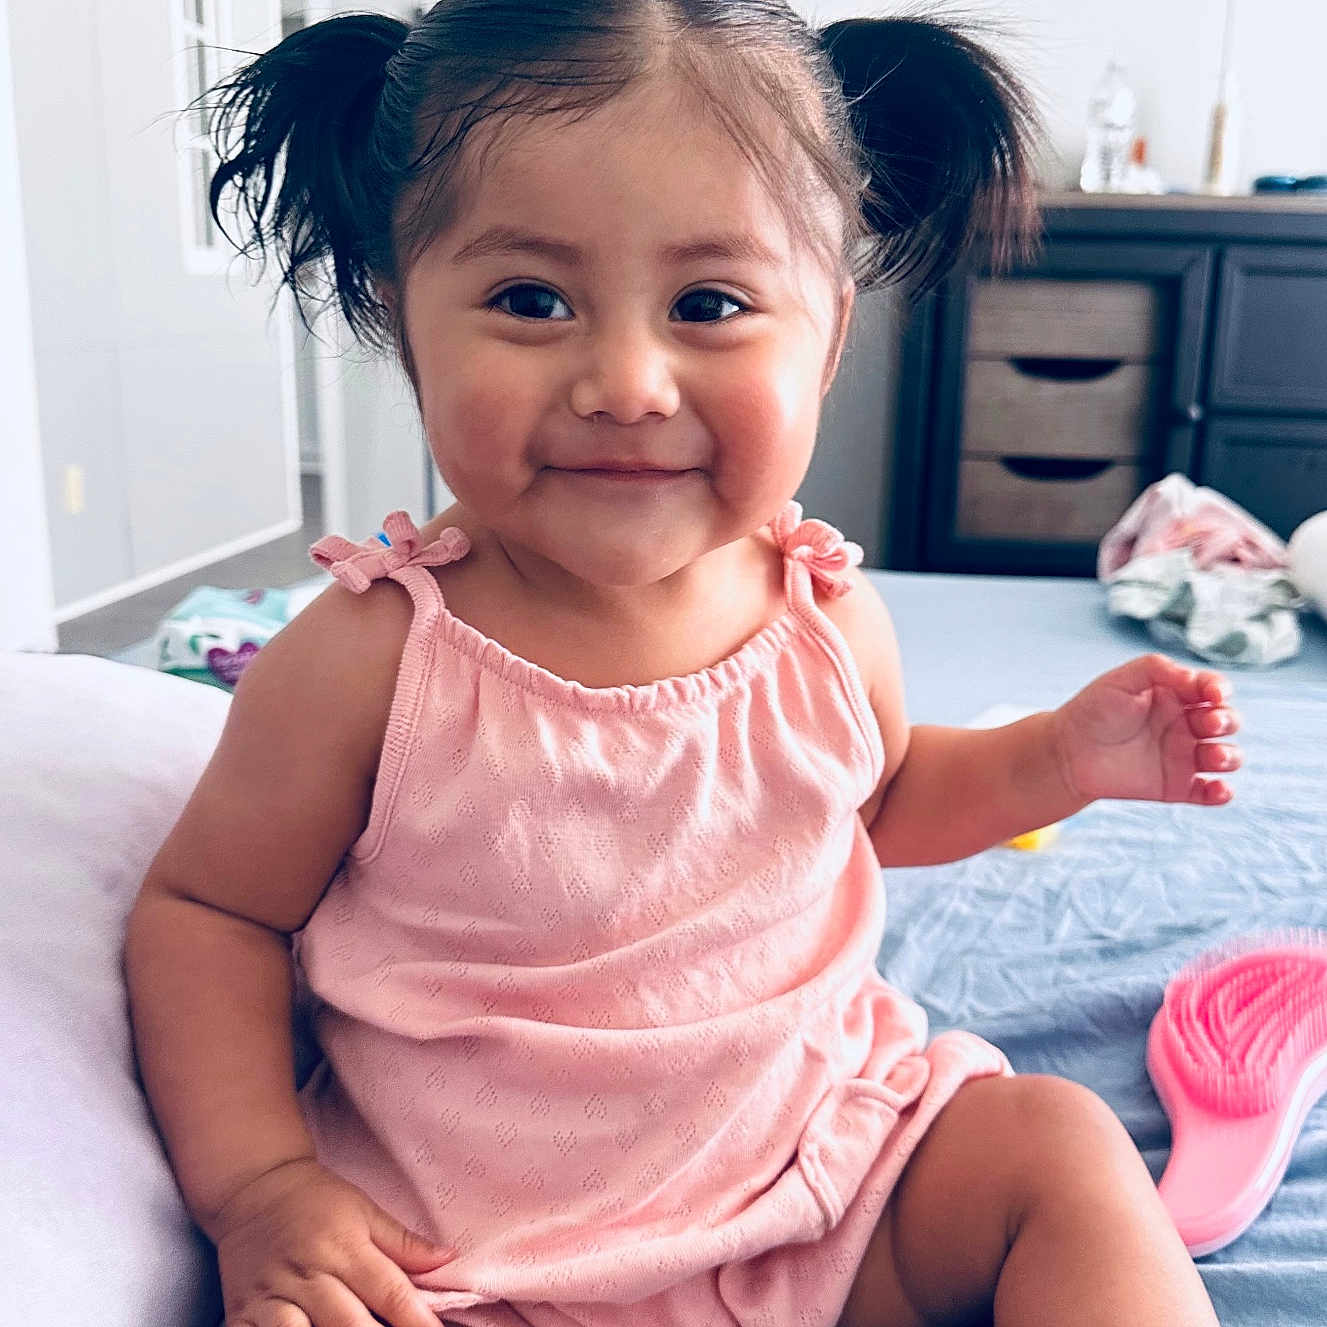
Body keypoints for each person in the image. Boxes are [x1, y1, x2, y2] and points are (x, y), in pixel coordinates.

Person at [123, 5, 1238, 1326]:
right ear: (399, 320)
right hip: (476, 1260)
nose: (629, 380)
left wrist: (1054, 761)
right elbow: (212, 916)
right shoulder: (372, 658)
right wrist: (258, 1186)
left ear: (825, 335)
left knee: (1052, 1144)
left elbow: (874, 805)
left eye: (709, 303)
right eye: (529, 300)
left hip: (826, 1186)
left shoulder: (822, 609)